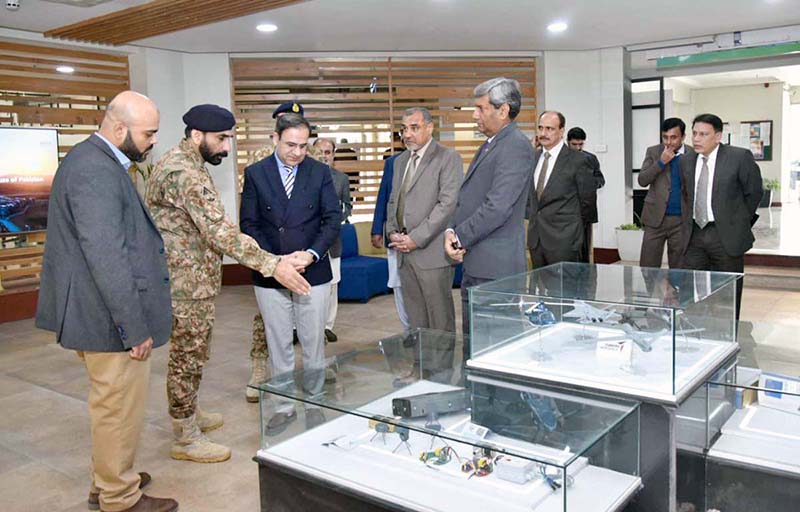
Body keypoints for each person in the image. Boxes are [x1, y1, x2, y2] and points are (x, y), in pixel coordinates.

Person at [35, 91, 178, 512]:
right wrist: (133, 328)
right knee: (117, 408)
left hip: (96, 310)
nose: (152, 141)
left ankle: (109, 477)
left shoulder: (95, 161)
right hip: (105, 317)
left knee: (110, 403)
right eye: (148, 133)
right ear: (119, 129)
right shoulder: (95, 170)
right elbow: (107, 255)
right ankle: (119, 496)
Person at [146, 104, 310, 463]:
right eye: (221, 139)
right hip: (184, 284)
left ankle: (190, 413)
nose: (226, 147)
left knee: (195, 352)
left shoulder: (187, 164)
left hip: (194, 280)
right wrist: (272, 265)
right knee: (187, 356)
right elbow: (219, 232)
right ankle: (186, 436)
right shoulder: (183, 172)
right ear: (197, 135)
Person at [240, 113, 341, 434]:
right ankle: (283, 408)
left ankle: (315, 405)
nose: (297, 152)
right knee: (279, 345)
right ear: (274, 139)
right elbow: (250, 225)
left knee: (313, 346)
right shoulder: (256, 173)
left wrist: (310, 254)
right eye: (290, 145)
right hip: (271, 272)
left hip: (312, 270)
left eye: (303, 145)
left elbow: (331, 219)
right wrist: (278, 261)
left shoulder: (320, 172)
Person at [445, 77, 535, 360]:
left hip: (496, 269)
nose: (474, 114)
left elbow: (497, 207)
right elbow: (469, 197)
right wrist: (452, 230)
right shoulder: (492, 143)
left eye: (481, 108)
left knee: (496, 350)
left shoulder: (515, 146)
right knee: (477, 346)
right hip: (479, 262)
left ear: (503, 110)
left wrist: (459, 236)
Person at [679, 113, 763, 319]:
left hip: (724, 234)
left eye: (703, 134)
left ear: (718, 137)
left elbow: (754, 192)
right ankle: (697, 332)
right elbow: (686, 195)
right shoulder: (686, 160)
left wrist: (738, 222)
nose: (696, 139)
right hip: (694, 235)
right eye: (695, 133)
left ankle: (728, 337)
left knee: (728, 291)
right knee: (691, 289)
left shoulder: (738, 157)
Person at [386, 107, 462, 333]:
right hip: (404, 253)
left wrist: (415, 239)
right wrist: (391, 231)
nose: (407, 134)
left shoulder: (448, 157)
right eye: (404, 129)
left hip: (431, 254)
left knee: (439, 321)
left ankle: (441, 370)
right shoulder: (400, 161)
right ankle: (421, 368)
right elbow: (393, 201)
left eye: (414, 128)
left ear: (430, 127)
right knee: (415, 319)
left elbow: (447, 205)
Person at [526, 111, 595, 268]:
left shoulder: (579, 160)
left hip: (565, 242)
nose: (543, 133)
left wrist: (573, 235)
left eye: (550, 128)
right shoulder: (533, 158)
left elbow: (587, 202)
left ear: (562, 131)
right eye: (540, 128)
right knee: (541, 289)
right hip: (536, 241)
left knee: (566, 291)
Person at [638, 118, 695, 269]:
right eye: (665, 137)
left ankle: (676, 293)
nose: (669, 142)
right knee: (648, 266)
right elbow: (642, 180)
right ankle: (650, 293)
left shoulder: (693, 154)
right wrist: (661, 162)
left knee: (679, 267)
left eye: (674, 137)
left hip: (681, 220)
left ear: (683, 136)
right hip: (655, 218)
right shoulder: (654, 152)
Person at [313, 137, 353, 342]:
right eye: (320, 152)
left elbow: (348, 206)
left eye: (328, 152)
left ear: (333, 154)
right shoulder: (305, 176)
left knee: (332, 285)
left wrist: (336, 218)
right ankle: (302, 328)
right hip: (309, 242)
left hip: (333, 241)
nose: (324, 156)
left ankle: (328, 326)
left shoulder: (341, 179)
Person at [372, 154, 410, 330]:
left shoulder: (435, 160)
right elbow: (383, 196)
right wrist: (377, 229)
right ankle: (408, 329)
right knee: (398, 284)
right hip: (395, 235)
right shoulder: (393, 162)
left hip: (422, 238)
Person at [567, 127, 605, 262]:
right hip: (565, 211)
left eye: (580, 144)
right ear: (568, 142)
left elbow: (601, 180)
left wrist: (588, 183)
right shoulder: (561, 159)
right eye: (574, 144)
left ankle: (585, 279)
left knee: (584, 248)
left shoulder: (591, 158)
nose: (577, 148)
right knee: (566, 248)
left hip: (585, 210)